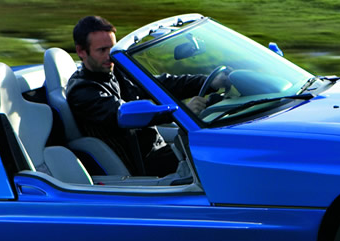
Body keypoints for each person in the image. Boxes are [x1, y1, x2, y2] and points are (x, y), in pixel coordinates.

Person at [65, 15, 227, 177]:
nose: (110, 56)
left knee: (220, 136)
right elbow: (123, 113)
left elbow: (162, 84)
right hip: (144, 167)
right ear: (81, 51)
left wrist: (209, 83)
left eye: (112, 48)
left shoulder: (115, 71)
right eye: (102, 50)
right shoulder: (83, 91)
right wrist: (181, 111)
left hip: (159, 151)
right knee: (219, 154)